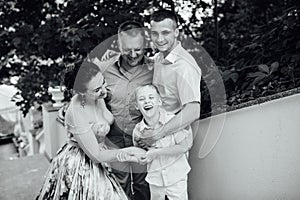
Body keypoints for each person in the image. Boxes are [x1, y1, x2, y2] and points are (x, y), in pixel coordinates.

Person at [36, 61, 145, 200]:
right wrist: (129, 153)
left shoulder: (96, 97)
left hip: (103, 153)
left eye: (103, 82)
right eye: (97, 90)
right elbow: (96, 155)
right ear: (81, 92)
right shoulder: (76, 113)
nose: (104, 91)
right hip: (82, 164)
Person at [92, 21, 152, 200]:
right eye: (127, 49)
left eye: (138, 49)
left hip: (142, 137)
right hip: (114, 138)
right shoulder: (103, 69)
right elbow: (88, 93)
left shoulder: (154, 68)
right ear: (119, 45)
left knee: (144, 183)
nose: (133, 55)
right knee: (120, 184)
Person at [136, 9, 202, 150]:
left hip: (173, 140)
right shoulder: (160, 57)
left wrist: (156, 134)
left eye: (165, 33)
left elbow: (193, 110)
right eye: (155, 33)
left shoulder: (185, 66)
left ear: (176, 33)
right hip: (155, 138)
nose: (160, 39)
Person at [133, 85, 192, 200]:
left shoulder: (172, 121)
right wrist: (140, 157)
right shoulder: (138, 130)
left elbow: (183, 147)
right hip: (155, 180)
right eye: (141, 99)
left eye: (151, 97)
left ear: (159, 101)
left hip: (176, 176)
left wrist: (156, 152)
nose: (147, 101)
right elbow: (139, 154)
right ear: (136, 106)